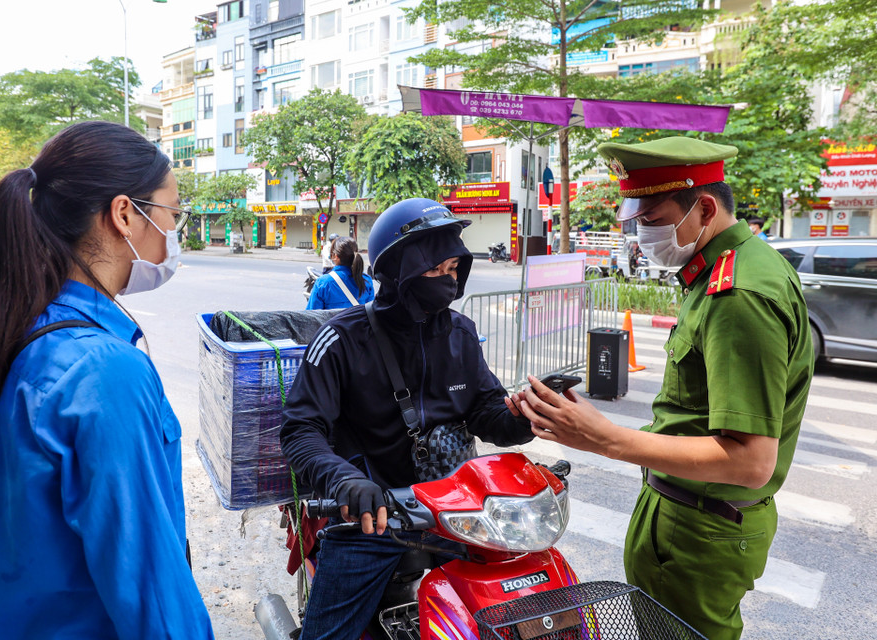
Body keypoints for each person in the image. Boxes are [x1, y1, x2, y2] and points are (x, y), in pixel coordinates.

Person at [514, 137, 813, 640]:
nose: (641, 236)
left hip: (701, 529)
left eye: (652, 221)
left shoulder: (738, 294)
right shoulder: (720, 269)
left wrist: (602, 437)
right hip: (681, 513)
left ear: (705, 208)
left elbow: (751, 462)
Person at [0, 121, 214, 639]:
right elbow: (149, 585)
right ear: (125, 214)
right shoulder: (103, 368)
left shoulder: (34, 331)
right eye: (172, 214)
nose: (175, 232)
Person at [280, 198, 534, 640]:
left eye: (455, 268)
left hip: (459, 516)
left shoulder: (460, 333)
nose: (449, 281)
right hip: (374, 519)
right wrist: (346, 483)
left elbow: (486, 413)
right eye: (436, 270)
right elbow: (301, 430)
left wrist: (525, 415)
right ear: (397, 272)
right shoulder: (341, 340)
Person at [306, 236, 374, 310]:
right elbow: (370, 312)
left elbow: (312, 316)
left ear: (335, 256)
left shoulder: (322, 283)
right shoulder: (367, 281)